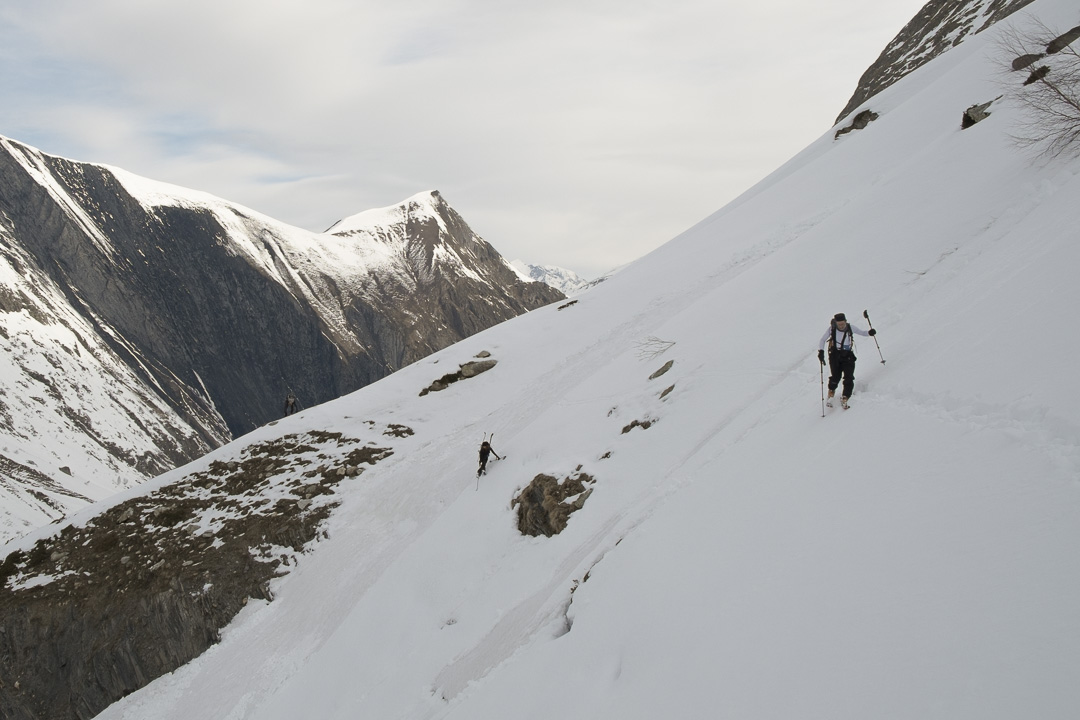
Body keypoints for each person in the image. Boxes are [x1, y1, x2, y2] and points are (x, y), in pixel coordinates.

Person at [817, 312, 876, 409]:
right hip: (835, 355)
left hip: (848, 355)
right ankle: (831, 391)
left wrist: (870, 333)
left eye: (842, 324)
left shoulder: (850, 328)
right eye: (839, 324)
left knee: (849, 376)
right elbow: (822, 340)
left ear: (845, 321)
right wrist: (821, 351)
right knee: (836, 376)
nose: (841, 326)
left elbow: (862, 332)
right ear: (835, 323)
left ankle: (846, 395)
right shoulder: (832, 329)